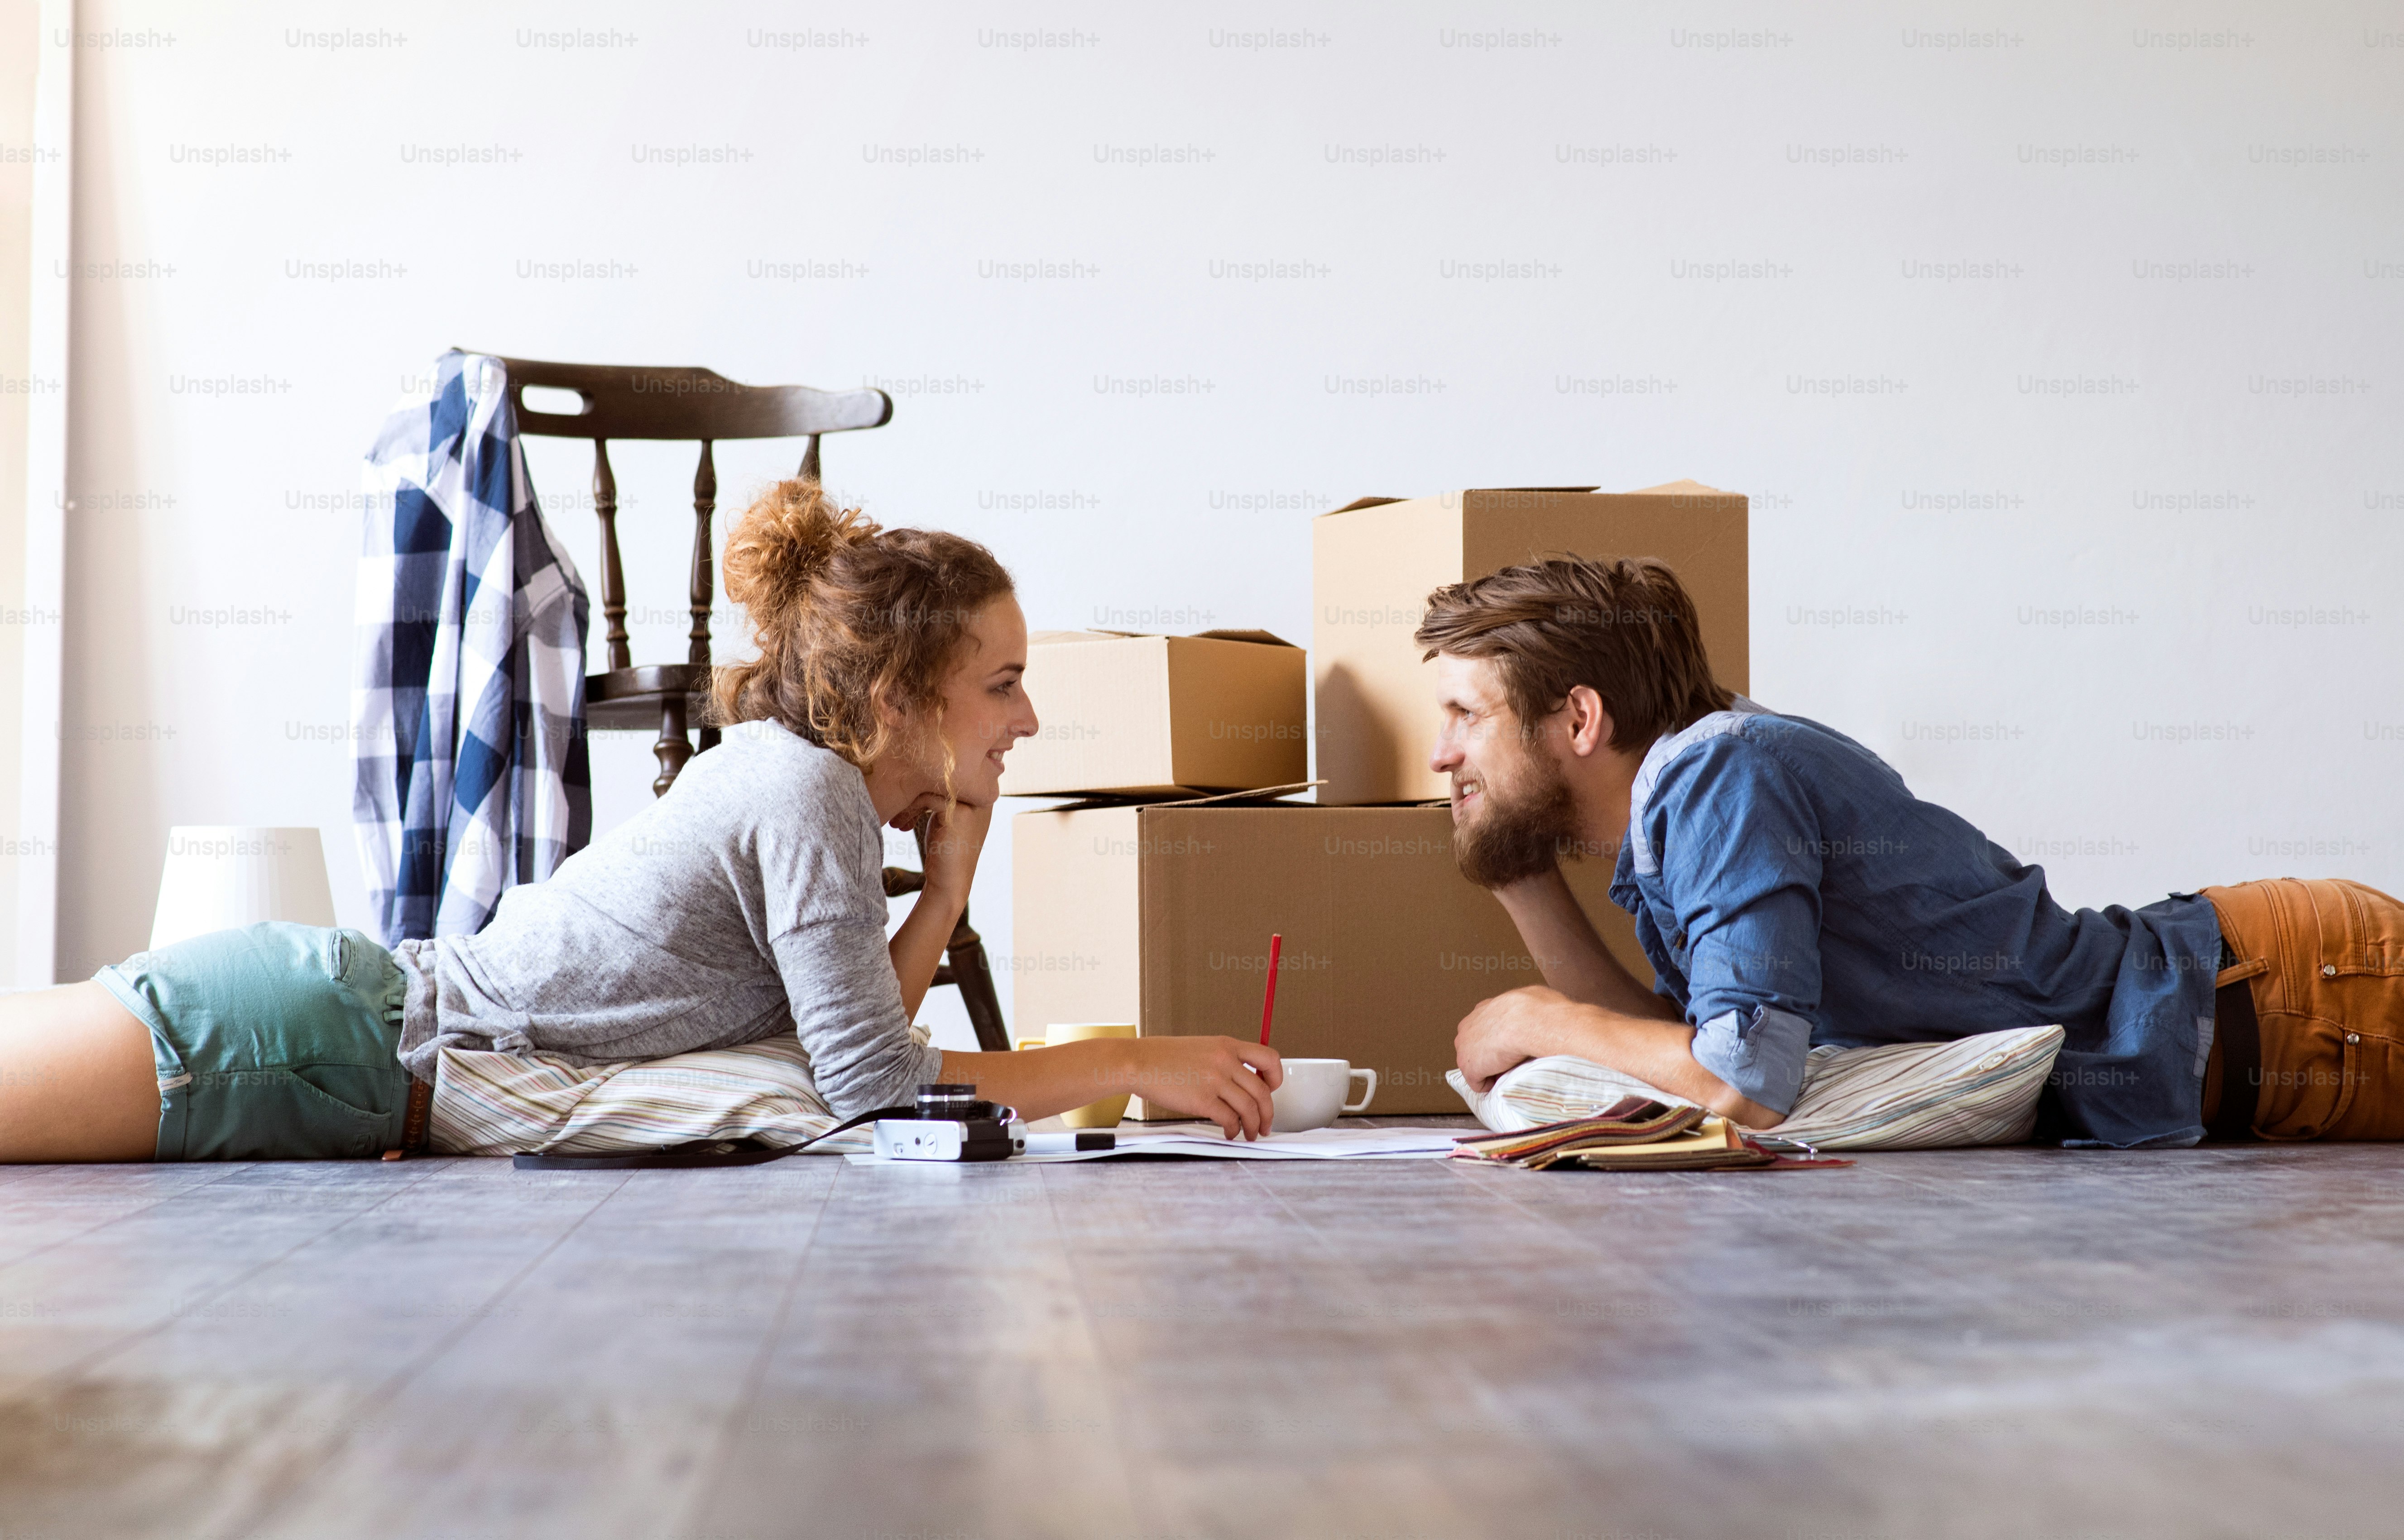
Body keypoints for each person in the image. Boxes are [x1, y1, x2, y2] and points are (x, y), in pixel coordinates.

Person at [0, 479, 1284, 1162]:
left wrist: (943, 893)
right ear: (898, 700)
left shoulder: (801, 781)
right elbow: (876, 1089)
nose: (1029, 720)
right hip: (315, 1040)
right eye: (1002, 683)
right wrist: (1126, 1057)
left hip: (333, 1046)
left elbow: (843, 1050)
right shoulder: (807, 789)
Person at [1420, 554, 2400, 1148]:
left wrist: (1536, 1014)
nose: (1441, 752)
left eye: (1466, 714)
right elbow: (1682, 1046)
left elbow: (1740, 1081)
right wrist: (1520, 883)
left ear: (1580, 718)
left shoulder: (1720, 778)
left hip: (2300, 995)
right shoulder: (1688, 802)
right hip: (2264, 1014)